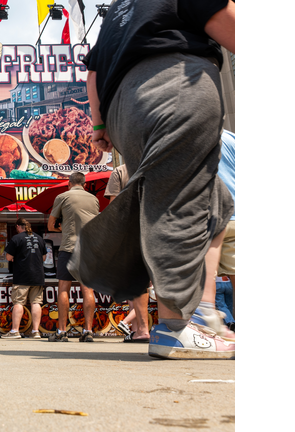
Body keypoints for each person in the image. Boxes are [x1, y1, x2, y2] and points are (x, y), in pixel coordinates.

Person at [76, 0, 235, 359]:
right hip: (174, 85)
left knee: (216, 200)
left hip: (124, 111)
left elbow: (93, 73)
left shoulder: (119, 10)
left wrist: (100, 125)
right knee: (176, 204)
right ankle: (175, 328)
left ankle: (204, 312)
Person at [47, 172, 100, 342]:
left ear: (68, 183)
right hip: (89, 249)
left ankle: (62, 332)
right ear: (84, 184)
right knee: (88, 289)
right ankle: (88, 331)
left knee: (63, 289)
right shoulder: (94, 199)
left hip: (69, 247)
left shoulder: (62, 196)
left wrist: (60, 229)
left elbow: (50, 225)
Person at [103, 165, 150, 343]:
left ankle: (142, 330)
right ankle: (168, 329)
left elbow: (114, 207)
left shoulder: (121, 171)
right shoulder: (160, 164)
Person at [1, 219, 46, 339]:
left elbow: (8, 257)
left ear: (18, 227)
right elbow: (44, 258)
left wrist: (16, 257)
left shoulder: (16, 238)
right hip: (38, 275)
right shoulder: (39, 238)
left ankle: (15, 331)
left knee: (18, 302)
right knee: (36, 302)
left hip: (22, 276)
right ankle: (36, 331)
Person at [216, 130, 235, 321]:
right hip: (235, 213)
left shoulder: (189, 133)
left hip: (208, 217)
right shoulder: (233, 138)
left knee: (202, 277)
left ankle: (207, 330)